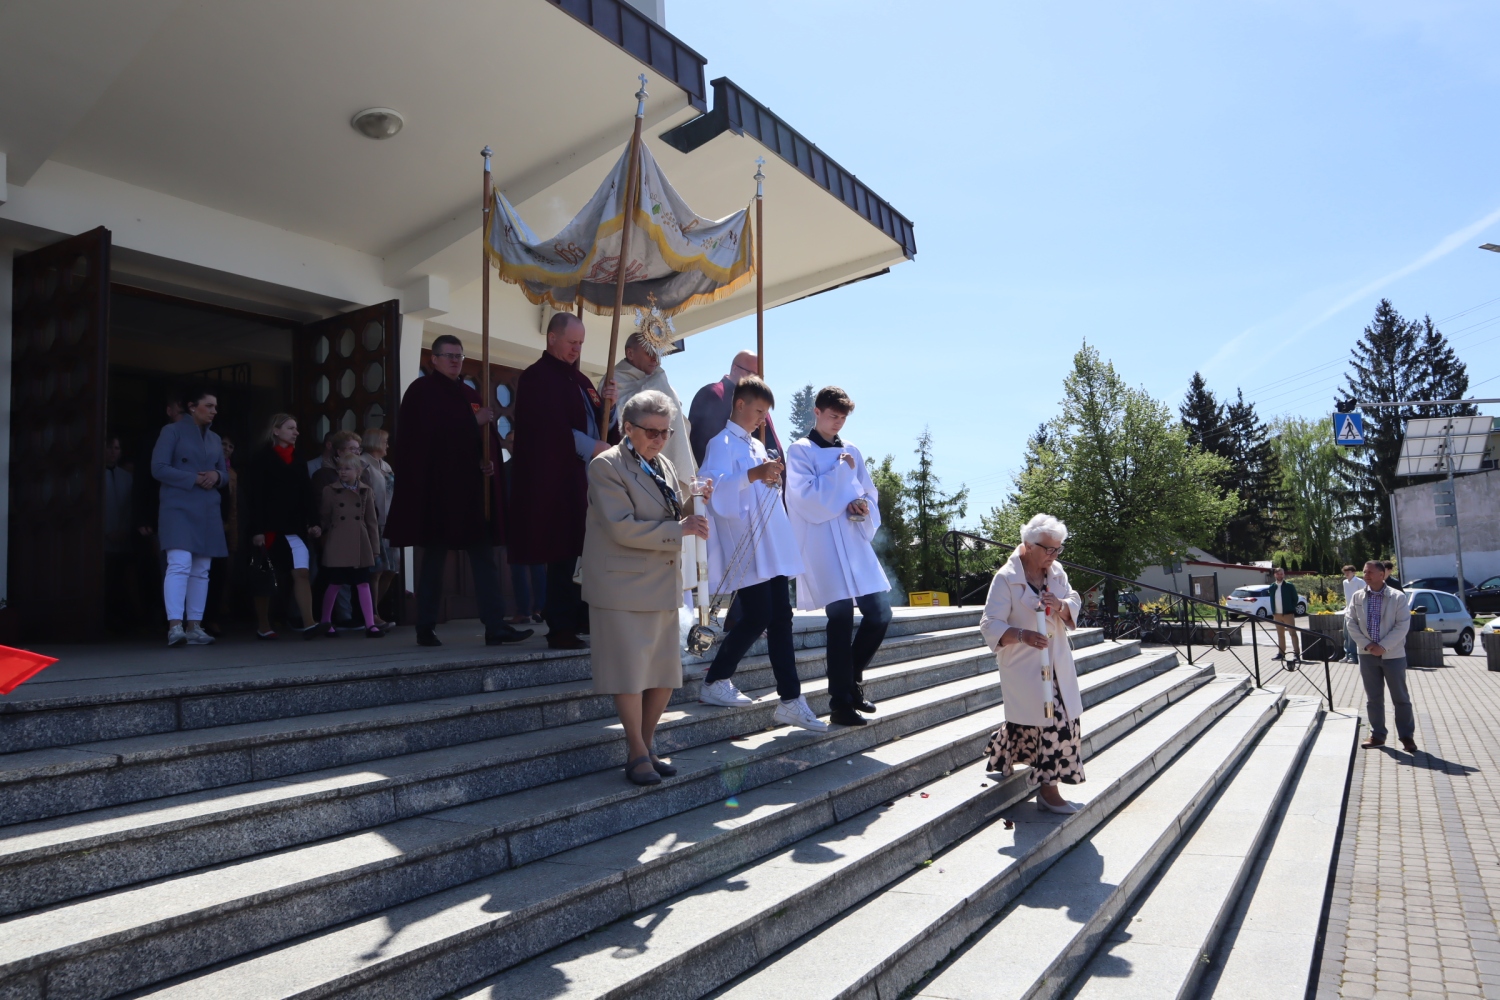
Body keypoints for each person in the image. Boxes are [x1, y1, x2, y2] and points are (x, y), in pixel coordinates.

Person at [581, 389, 710, 785]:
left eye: (665, 432)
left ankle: (648, 746)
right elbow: (621, 526)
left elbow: (672, 513)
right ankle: (636, 751)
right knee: (629, 675)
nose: (659, 439)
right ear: (627, 428)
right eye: (651, 431)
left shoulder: (664, 465)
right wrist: (680, 528)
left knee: (664, 674)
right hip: (621, 586)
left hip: (660, 582)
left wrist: (697, 502)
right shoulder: (606, 465)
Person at [385, 334, 532, 647]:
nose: (455, 361)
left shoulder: (470, 393)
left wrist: (487, 463)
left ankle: (495, 626)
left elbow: (480, 442)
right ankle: (425, 626)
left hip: (471, 493)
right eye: (449, 355)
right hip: (438, 492)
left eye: (459, 356)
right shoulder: (422, 391)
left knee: (483, 558)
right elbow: (424, 437)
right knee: (434, 561)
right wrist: (471, 421)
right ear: (434, 359)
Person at [698, 376, 825, 732]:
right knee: (760, 616)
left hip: (769, 542)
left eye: (765, 413)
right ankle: (718, 680)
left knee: (778, 616)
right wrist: (755, 473)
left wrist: (770, 478)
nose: (761, 419)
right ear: (740, 404)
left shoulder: (756, 445)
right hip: (746, 544)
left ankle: (788, 699)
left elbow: (755, 487)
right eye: (758, 411)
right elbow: (712, 489)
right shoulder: (720, 443)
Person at [785, 387, 891, 727]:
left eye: (843, 418)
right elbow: (807, 500)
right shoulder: (800, 450)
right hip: (822, 545)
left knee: (880, 614)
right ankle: (840, 704)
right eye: (833, 416)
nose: (838, 423)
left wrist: (863, 506)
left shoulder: (851, 450)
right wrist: (843, 474)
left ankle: (851, 678)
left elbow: (868, 491)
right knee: (841, 617)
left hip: (852, 540)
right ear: (817, 412)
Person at [509, 313, 614, 649]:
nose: (576, 349)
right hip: (555, 481)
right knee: (562, 553)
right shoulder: (536, 378)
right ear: (552, 338)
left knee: (585, 551)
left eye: (581, 343)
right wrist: (592, 447)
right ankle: (560, 627)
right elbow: (548, 429)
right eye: (571, 342)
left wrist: (609, 403)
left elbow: (600, 424)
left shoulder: (581, 380)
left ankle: (581, 617)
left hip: (585, 481)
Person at [978, 513, 1085, 813]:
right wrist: (1022, 635)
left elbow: (1073, 598)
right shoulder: (1006, 577)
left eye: (1058, 548)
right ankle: (1048, 792)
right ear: (1028, 544)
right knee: (1048, 720)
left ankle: (1003, 753)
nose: (1054, 554)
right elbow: (989, 623)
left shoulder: (1057, 571)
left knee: (1057, 718)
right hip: (1024, 663)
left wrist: (1061, 605)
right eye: (1048, 548)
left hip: (1057, 660)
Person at [610, 331, 702, 602]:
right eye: (648, 352)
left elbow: (680, 422)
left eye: (657, 352)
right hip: (631, 471)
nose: (655, 358)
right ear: (630, 353)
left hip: (663, 468)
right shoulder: (615, 380)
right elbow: (618, 417)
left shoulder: (659, 377)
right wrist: (656, 383)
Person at [151, 387, 229, 647]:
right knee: (179, 563)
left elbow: (223, 472)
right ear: (192, 406)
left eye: (216, 406)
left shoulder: (215, 439)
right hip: (178, 506)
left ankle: (195, 626)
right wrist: (193, 478)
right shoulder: (171, 431)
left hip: (207, 508)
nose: (214, 411)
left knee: (202, 570)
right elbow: (158, 468)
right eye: (209, 405)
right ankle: (175, 626)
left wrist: (216, 476)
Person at [243, 414, 322, 638]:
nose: (296, 432)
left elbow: (307, 494)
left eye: (296, 428)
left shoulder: (298, 459)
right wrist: (257, 530)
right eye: (290, 428)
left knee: (302, 572)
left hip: (294, 529)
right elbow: (255, 496)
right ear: (276, 431)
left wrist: (314, 522)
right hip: (268, 528)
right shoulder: (261, 458)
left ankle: (309, 623)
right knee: (265, 576)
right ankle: (263, 625)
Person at [1346, 560, 1416, 753]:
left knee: (1400, 698)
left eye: (1370, 572)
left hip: (1393, 655)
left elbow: (1402, 625)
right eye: (1364, 572)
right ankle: (1377, 736)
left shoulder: (1397, 597)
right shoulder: (1358, 596)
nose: (1366, 575)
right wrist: (1368, 645)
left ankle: (1407, 737)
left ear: (1382, 574)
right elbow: (1350, 622)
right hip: (1367, 654)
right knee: (1373, 698)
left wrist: (1383, 646)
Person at [315, 454, 385, 638]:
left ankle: (370, 624)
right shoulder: (330, 490)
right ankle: (325, 621)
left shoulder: (366, 490)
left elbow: (371, 522)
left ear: (358, 471)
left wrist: (374, 548)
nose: (342, 472)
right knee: (335, 583)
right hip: (338, 542)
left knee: (363, 583)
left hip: (360, 542)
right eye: (340, 469)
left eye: (347, 468)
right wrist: (318, 530)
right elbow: (324, 516)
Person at [688, 350, 783, 467]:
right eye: (752, 374)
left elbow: (772, 443)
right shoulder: (712, 394)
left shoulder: (759, 403)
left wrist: (770, 460)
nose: (756, 380)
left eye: (759, 376)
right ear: (734, 369)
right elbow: (701, 446)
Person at [361, 428, 397, 627]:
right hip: (374, 523)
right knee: (375, 571)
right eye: (384, 442)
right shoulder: (362, 463)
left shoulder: (386, 465)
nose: (387, 446)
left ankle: (374, 609)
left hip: (390, 523)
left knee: (391, 570)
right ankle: (371, 615)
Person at [104, 435, 136, 633]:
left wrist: (124, 530)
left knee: (122, 581)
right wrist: (106, 532)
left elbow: (130, 508)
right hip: (102, 540)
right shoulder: (92, 475)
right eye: (109, 447)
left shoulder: (127, 477)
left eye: (116, 448)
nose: (113, 452)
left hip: (123, 538)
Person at [1268, 566, 1301, 663]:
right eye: (1278, 574)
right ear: (1275, 575)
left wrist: (1291, 607)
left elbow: (1295, 598)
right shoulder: (1272, 587)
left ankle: (1296, 654)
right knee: (1280, 635)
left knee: (1293, 634)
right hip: (1277, 615)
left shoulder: (1289, 586)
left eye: (1281, 574)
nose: (1280, 575)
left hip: (1288, 614)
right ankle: (1281, 653)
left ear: (1284, 574)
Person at [1341, 564, 1364, 663]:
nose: (1346, 574)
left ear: (1353, 572)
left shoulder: (1360, 582)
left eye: (1348, 572)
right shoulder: (1345, 582)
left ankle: (1353, 657)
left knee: (1352, 635)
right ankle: (1347, 654)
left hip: (1357, 612)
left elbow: (1364, 596)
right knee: (1345, 634)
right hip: (1347, 611)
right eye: (1345, 572)